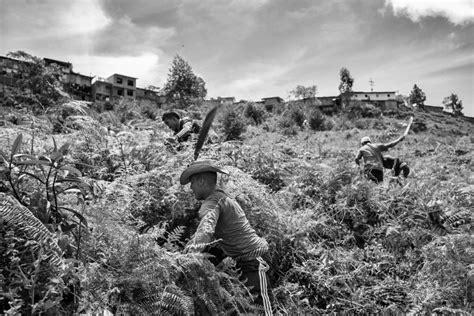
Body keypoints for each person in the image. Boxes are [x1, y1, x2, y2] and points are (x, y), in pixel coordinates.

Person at [180, 160, 274, 315]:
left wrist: (186, 259)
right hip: (245, 262)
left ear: (202, 181)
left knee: (263, 310)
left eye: (192, 182)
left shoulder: (213, 202)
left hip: (254, 260)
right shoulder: (222, 198)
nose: (191, 188)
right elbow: (203, 234)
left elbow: (206, 230)